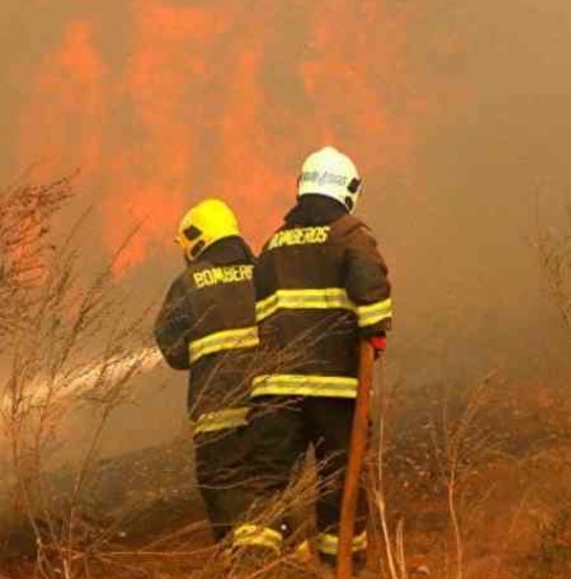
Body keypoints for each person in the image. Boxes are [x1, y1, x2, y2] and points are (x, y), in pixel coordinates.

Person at [249, 147, 393, 572]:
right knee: (339, 480)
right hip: (335, 391)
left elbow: (259, 312)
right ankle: (341, 566)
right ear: (347, 190)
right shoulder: (349, 236)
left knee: (270, 484)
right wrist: (374, 331)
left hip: (274, 394)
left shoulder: (273, 245)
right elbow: (371, 291)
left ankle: (265, 567)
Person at [154, 198, 268, 551]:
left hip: (218, 409)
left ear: (197, 239)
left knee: (222, 481)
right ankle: (285, 552)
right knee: (270, 477)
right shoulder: (265, 271)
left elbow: (173, 351)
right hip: (273, 403)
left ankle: (245, 561)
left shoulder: (188, 284)